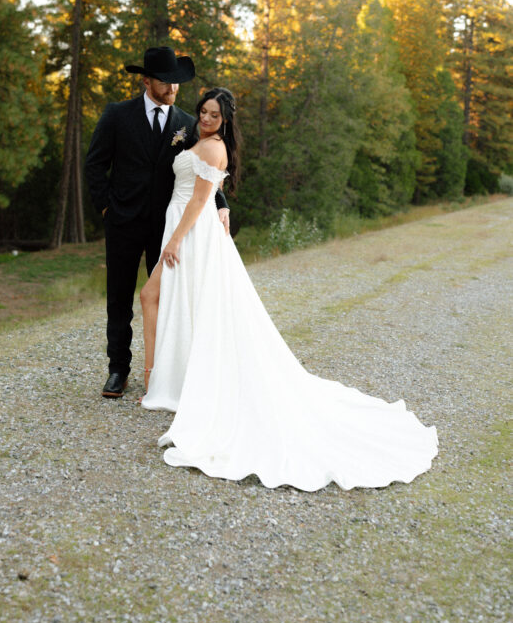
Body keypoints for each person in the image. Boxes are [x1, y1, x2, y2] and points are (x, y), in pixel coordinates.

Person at [140, 87, 439, 491]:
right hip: (181, 226)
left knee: (163, 298)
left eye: (213, 114)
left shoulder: (214, 149)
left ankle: (162, 380)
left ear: (225, 120)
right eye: (202, 112)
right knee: (168, 301)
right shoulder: (197, 140)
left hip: (191, 232)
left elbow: (199, 201)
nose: (206, 118)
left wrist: (175, 240)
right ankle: (163, 379)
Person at [84, 47, 230, 399]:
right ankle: (118, 369)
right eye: (166, 82)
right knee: (119, 297)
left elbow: (206, 172)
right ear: (147, 80)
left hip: (166, 227)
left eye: (177, 83)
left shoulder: (186, 123)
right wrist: (106, 207)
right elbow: (94, 164)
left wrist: (221, 204)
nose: (174, 88)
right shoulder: (118, 115)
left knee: (164, 296)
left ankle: (162, 370)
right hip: (122, 221)